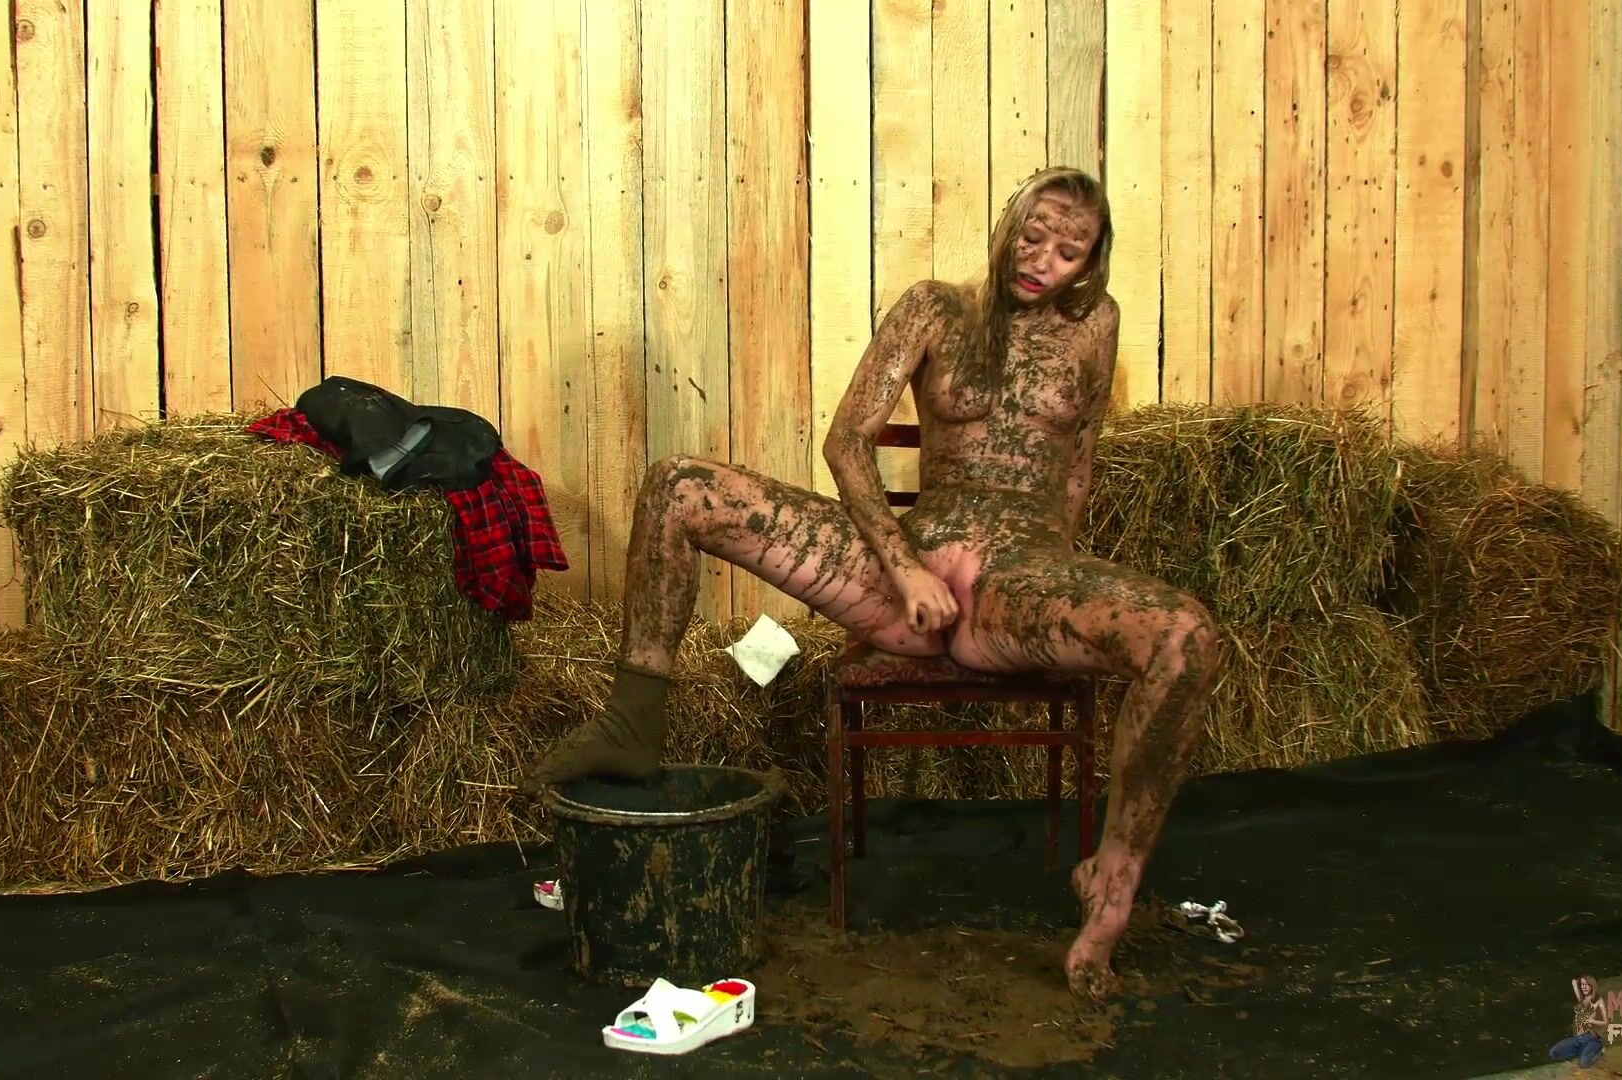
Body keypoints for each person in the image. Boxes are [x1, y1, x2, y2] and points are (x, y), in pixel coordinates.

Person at [519, 165, 1224, 997]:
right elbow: (847, 441)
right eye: (1032, 237)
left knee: (1186, 635)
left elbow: (1078, 463)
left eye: (1068, 252)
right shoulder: (935, 307)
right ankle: (634, 722)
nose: (1043, 261)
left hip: (1018, 585)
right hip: (905, 574)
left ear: (1092, 261)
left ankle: (1113, 876)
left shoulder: (1095, 323)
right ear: (1007, 225)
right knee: (680, 485)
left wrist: (1056, 587)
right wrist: (904, 564)